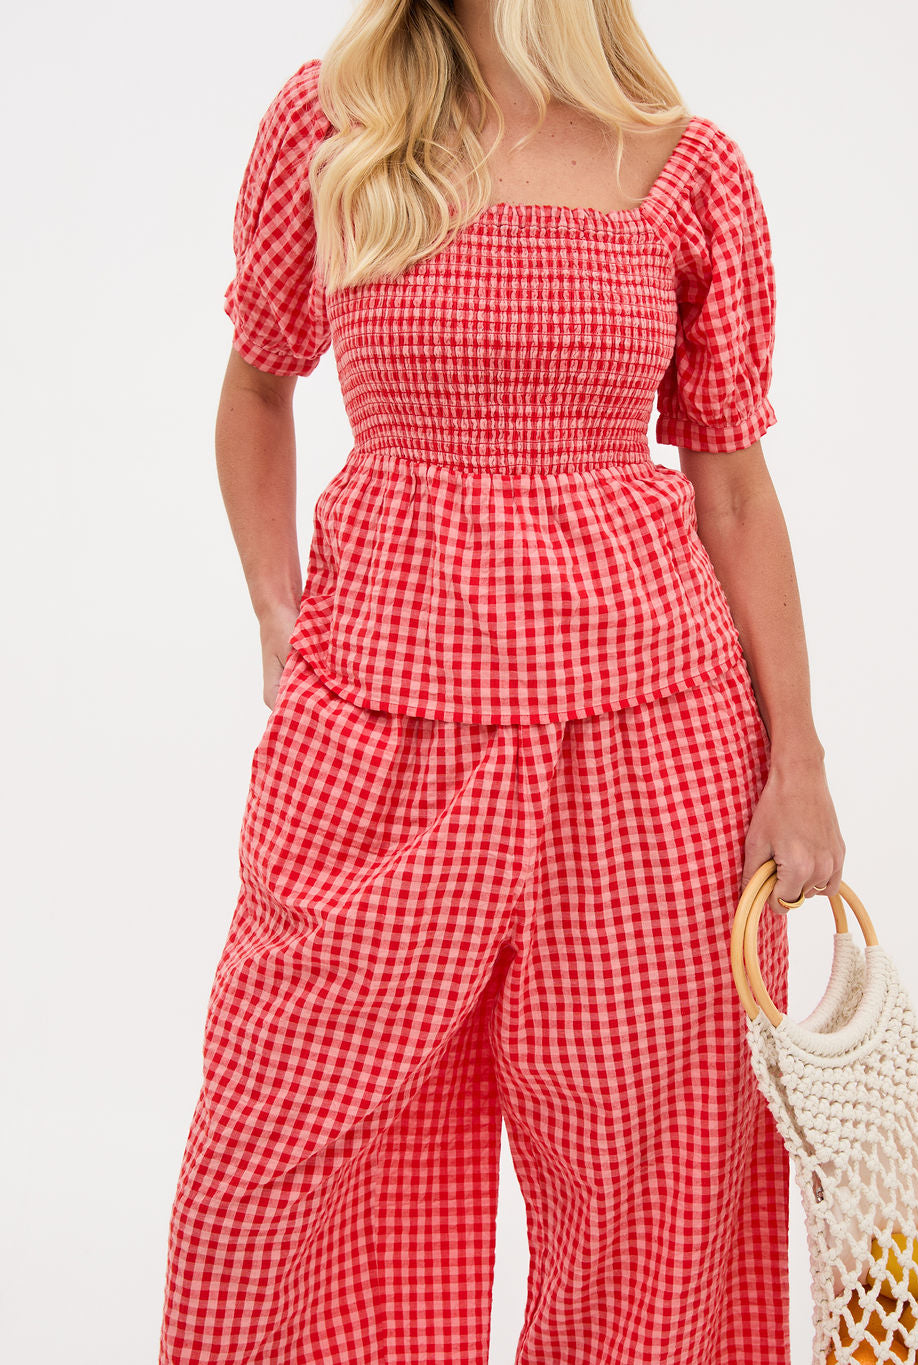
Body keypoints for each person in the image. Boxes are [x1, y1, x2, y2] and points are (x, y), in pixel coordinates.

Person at [159, 2, 845, 1362]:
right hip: (378, 725)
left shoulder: (686, 165)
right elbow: (255, 390)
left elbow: (732, 489)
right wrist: (279, 615)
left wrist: (801, 762)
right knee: (270, 1157)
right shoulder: (331, 122)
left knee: (651, 1181)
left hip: (656, 740)